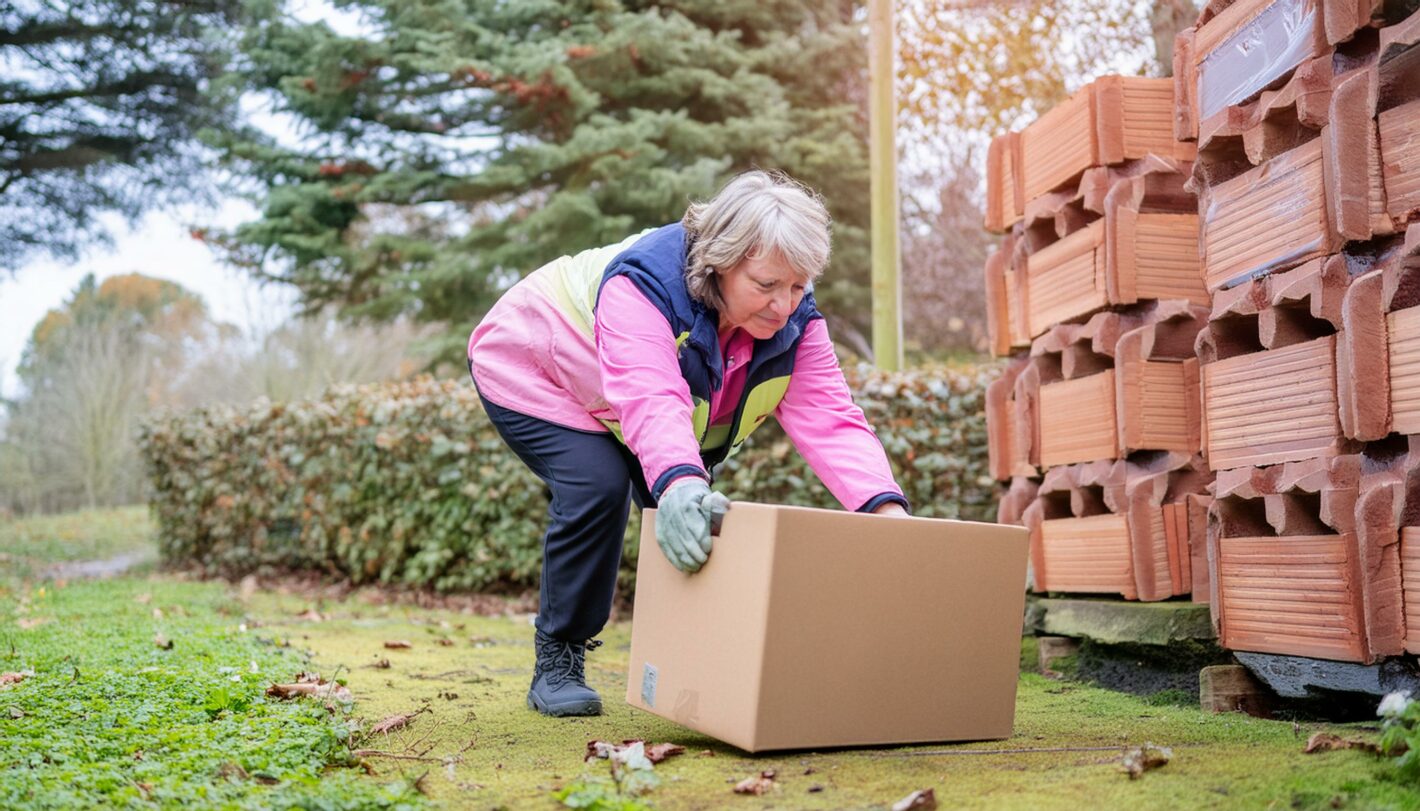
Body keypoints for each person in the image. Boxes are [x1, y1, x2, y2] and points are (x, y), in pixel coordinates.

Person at [467, 170, 910, 718]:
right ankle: (559, 657)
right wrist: (679, 480)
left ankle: (687, 674)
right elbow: (651, 397)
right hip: (537, 364)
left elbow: (831, 417)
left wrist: (887, 513)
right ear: (720, 262)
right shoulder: (644, 285)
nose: (783, 306)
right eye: (766, 285)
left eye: (797, 287)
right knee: (599, 485)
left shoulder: (797, 320)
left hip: (620, 398)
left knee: (692, 513)